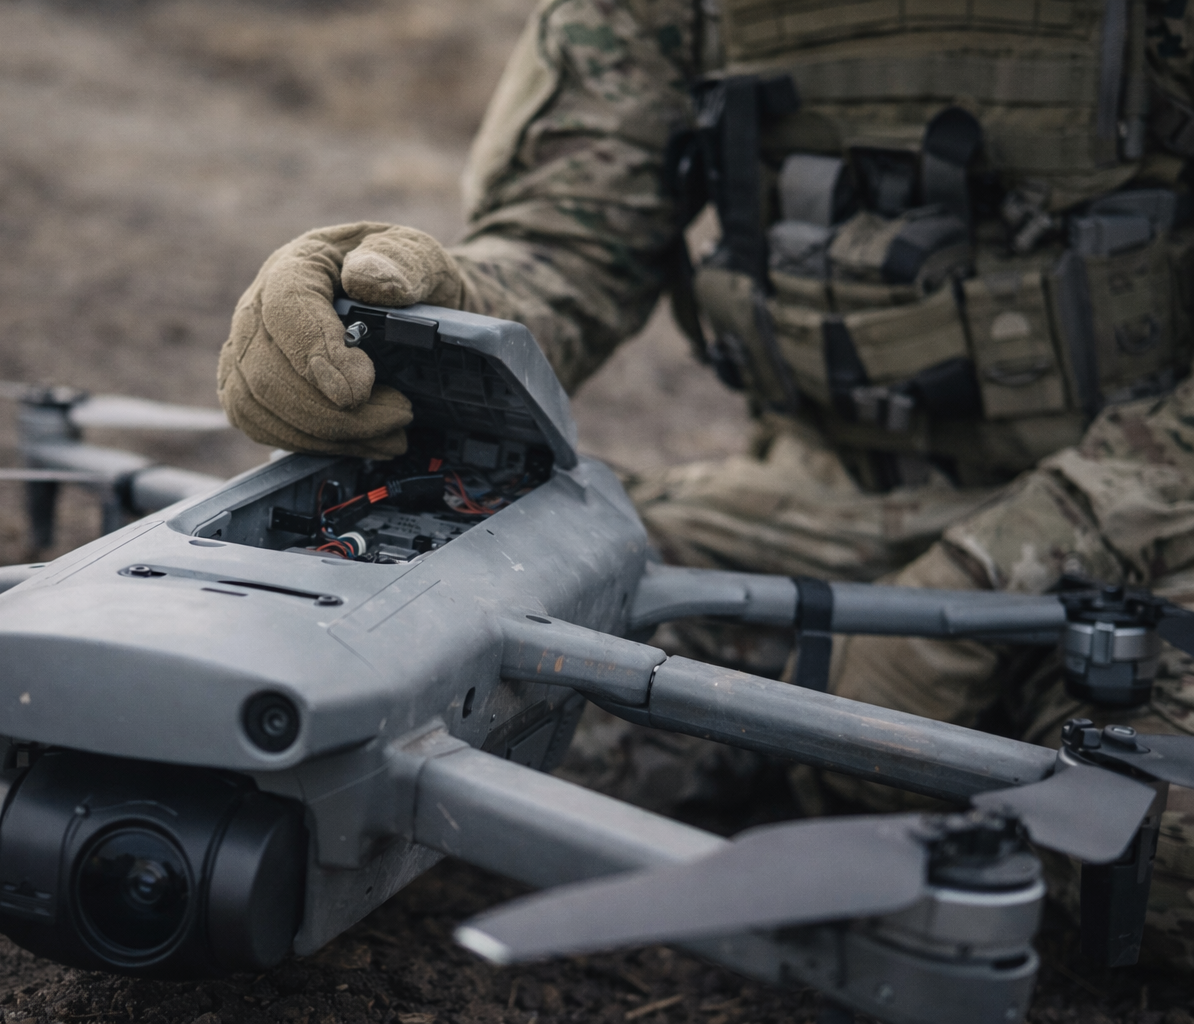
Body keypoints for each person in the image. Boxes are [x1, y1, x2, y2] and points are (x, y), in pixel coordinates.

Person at [217, 0, 1194, 967]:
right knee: (402, 699)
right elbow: (571, 243)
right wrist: (422, 317)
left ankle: (840, 767)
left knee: (1167, 854)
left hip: (1147, 531)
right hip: (804, 513)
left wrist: (990, 570)